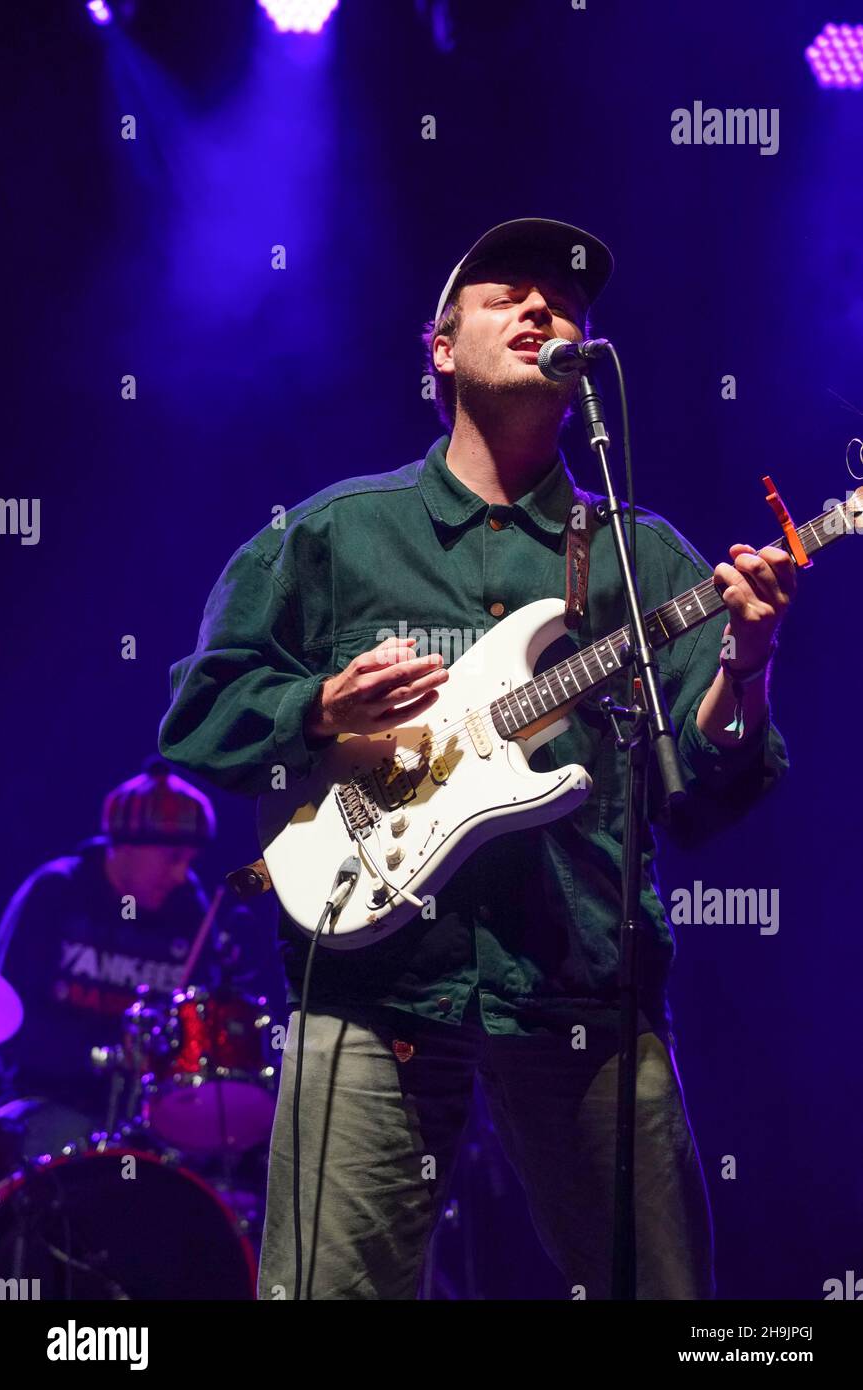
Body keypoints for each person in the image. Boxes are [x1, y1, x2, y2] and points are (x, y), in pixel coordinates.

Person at [158, 217, 794, 1300]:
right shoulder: (332, 536)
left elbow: (702, 789)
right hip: (370, 985)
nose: (543, 307)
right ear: (440, 347)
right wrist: (316, 707)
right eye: (506, 290)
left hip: (579, 993)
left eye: (564, 299)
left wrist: (744, 665)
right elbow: (195, 716)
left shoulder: (641, 559)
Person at [0, 758, 216, 1157]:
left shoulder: (189, 909)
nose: (182, 873)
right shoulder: (57, 893)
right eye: (172, 857)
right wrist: (98, 1056)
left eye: (190, 859)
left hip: (149, 1117)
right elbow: (6, 1017)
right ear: (125, 845)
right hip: (48, 1101)